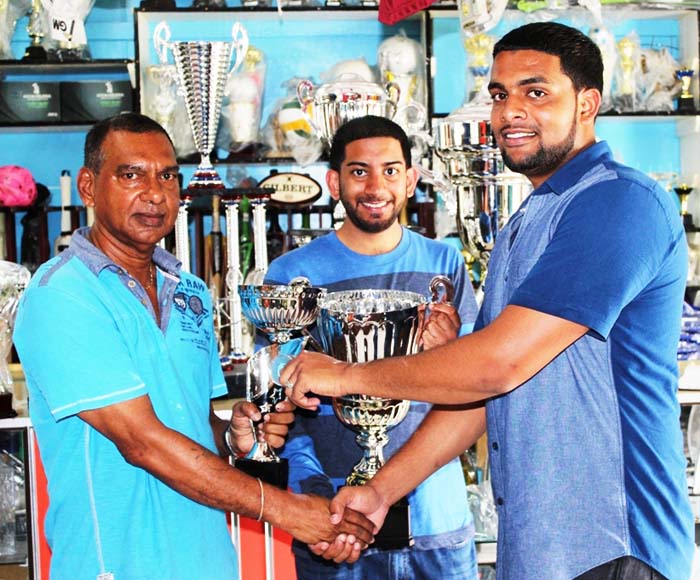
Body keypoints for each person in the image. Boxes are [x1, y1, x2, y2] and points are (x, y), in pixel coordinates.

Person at [282, 22, 696, 580]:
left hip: (614, 545)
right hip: (539, 551)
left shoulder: (617, 202)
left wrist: (343, 376)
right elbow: (484, 396)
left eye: (536, 91)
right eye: (499, 94)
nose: (509, 111)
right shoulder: (527, 222)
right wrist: (382, 491)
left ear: (588, 103)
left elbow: (496, 365)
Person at [12, 112, 374, 580]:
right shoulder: (60, 296)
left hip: (209, 563)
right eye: (130, 174)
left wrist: (235, 436)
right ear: (87, 186)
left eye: (167, 176)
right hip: (113, 567)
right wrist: (286, 511)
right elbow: (143, 443)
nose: (154, 192)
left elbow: (195, 426)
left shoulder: (189, 292)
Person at [261, 115, 481, 579]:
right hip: (335, 523)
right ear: (334, 182)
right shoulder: (293, 275)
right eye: (359, 171)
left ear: (411, 180)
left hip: (434, 522)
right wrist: (314, 493)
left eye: (391, 170)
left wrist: (451, 350)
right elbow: (281, 406)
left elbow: (477, 387)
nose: (376, 185)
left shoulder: (444, 263)